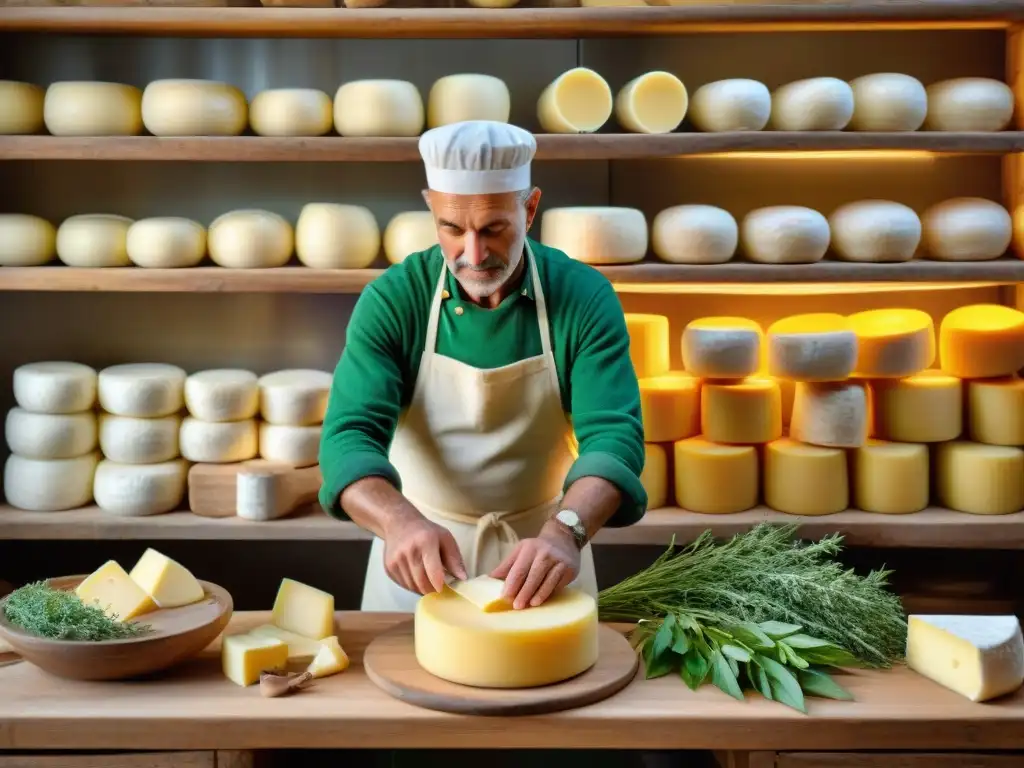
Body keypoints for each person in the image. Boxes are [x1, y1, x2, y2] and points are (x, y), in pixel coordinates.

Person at [318, 119, 647, 612]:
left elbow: (615, 440)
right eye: (452, 229)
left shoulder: (583, 297)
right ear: (431, 207)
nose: (473, 254)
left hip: (544, 562)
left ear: (529, 208)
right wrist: (396, 521)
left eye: (494, 228)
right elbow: (348, 438)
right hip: (419, 567)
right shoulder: (394, 300)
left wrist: (567, 532)